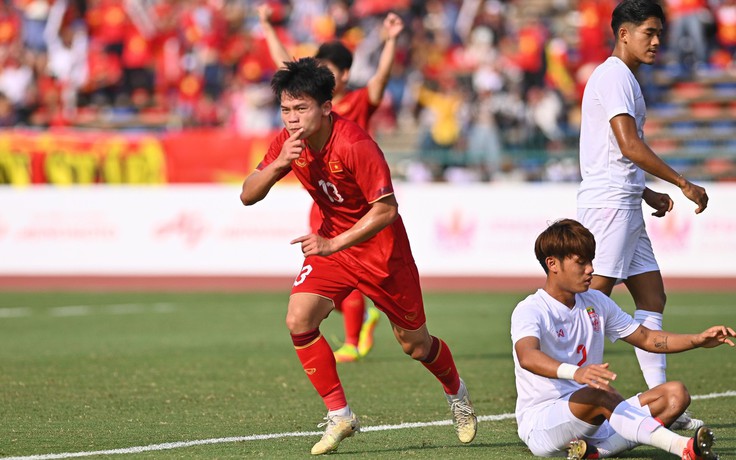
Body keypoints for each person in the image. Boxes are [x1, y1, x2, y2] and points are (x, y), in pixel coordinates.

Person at [240, 57, 477, 455]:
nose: (292, 119)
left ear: (326, 107)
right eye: (285, 110)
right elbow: (248, 193)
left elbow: (386, 210)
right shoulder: (286, 143)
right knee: (299, 319)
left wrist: (332, 243)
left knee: (415, 345)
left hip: (382, 252)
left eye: (301, 109)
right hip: (334, 245)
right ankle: (340, 415)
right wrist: (279, 163)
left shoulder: (354, 144)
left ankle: (458, 394)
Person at [576, 0, 709, 430]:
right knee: (591, 302)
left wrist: (645, 191)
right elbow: (629, 144)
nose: (657, 41)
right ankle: (574, 402)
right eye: (649, 32)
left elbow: (619, 154)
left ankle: (667, 409)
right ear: (623, 33)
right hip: (609, 205)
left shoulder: (623, 77)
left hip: (625, 200)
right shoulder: (614, 75)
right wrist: (681, 182)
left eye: (658, 33)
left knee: (651, 298)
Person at [511, 218, 734, 459]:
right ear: (552, 264)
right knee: (599, 392)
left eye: (591, 261)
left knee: (675, 395)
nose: (590, 269)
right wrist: (576, 373)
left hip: (595, 415)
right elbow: (528, 356)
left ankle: (597, 453)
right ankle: (683, 447)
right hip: (544, 423)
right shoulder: (531, 309)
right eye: (581, 262)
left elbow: (647, 338)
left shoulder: (596, 301)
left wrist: (697, 340)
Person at [257, 4, 405, 362]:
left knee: (410, 331)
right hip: (326, 197)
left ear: (344, 75)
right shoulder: (302, 107)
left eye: (329, 68)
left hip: (363, 196)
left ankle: (365, 325)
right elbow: (284, 68)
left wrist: (390, 42)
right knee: (324, 271)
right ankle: (354, 335)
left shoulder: (354, 104)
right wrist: (267, 27)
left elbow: (381, 81)